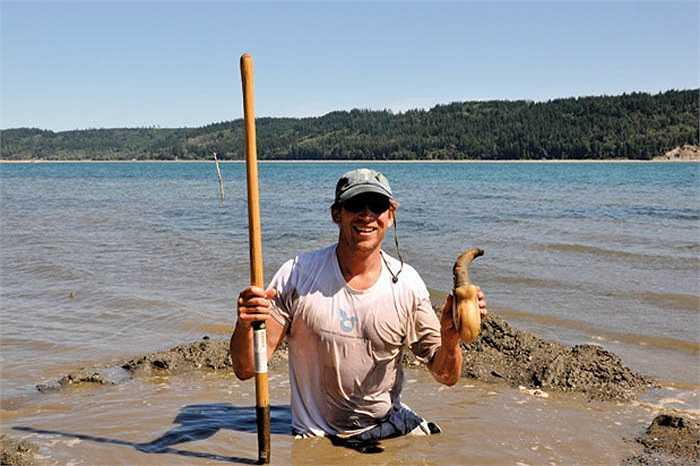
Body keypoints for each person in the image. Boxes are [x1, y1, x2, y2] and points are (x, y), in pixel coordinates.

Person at [230, 168, 487, 444]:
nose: (366, 215)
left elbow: (446, 376)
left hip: (389, 431)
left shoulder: (407, 284)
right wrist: (245, 323)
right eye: (355, 205)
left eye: (376, 206)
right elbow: (246, 370)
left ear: (390, 215)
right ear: (336, 214)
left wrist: (450, 342)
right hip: (318, 440)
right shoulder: (297, 274)